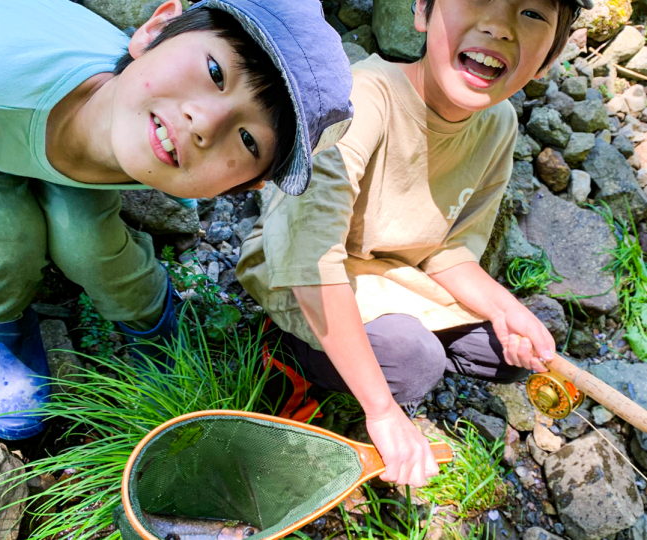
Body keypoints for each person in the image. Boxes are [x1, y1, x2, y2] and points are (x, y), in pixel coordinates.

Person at [0, 0, 353, 440]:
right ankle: (0, 322)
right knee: (3, 239)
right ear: (156, 29)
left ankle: (150, 319)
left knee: (89, 243)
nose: (204, 122)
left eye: (248, 140)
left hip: (64, 131)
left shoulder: (146, 113)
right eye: (215, 72)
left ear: (244, 186)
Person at [237, 0, 592, 487]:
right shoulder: (362, 99)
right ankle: (289, 355)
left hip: (391, 276)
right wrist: (382, 411)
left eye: (532, 13)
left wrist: (505, 308)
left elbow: (448, 251)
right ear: (422, 10)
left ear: (550, 56)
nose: (499, 26)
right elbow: (309, 263)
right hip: (302, 272)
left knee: (513, 346)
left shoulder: (498, 125)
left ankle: (377, 354)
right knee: (413, 362)